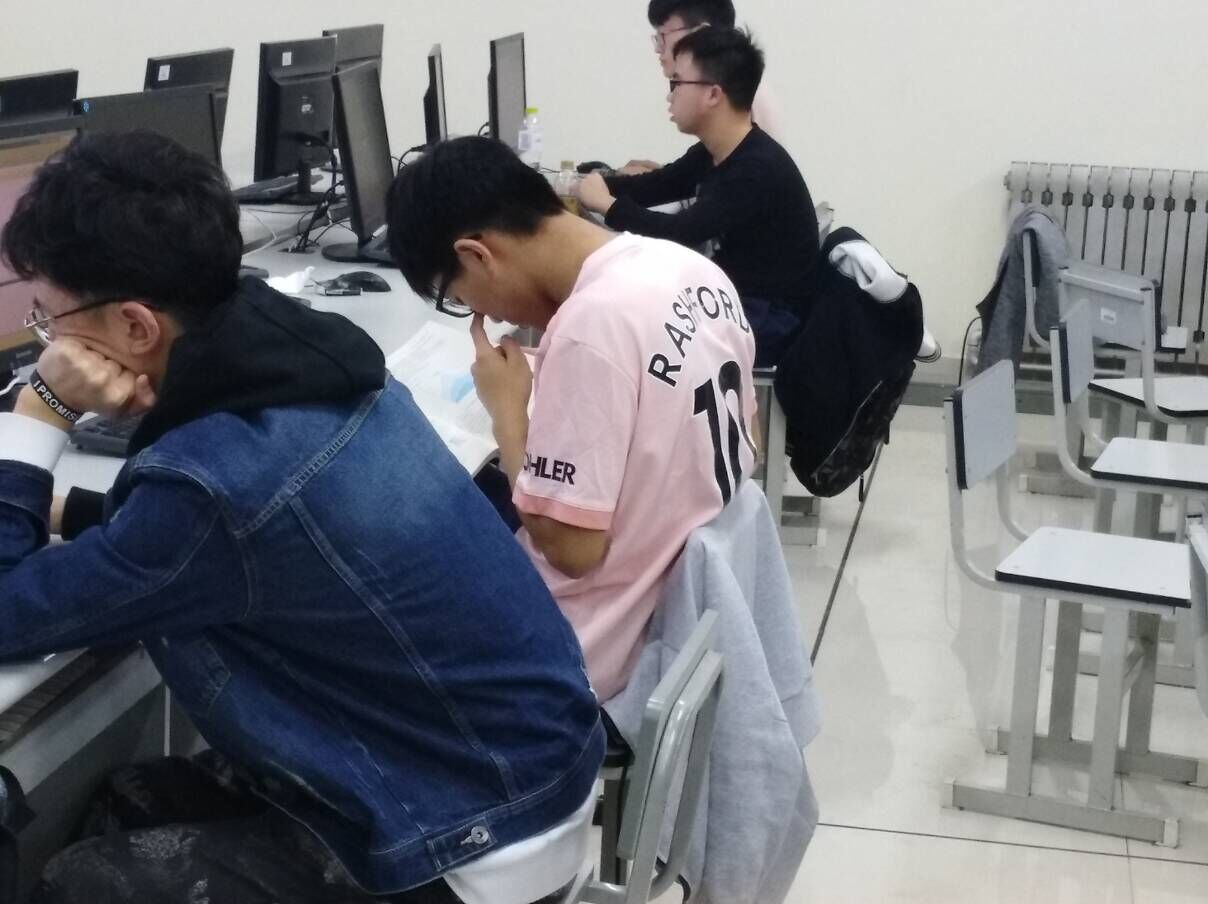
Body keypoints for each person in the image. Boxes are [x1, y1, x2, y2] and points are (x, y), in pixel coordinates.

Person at [0, 131, 603, 904]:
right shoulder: (307, 356)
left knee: (78, 882)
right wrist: (77, 511)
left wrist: (41, 410)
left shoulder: (213, 486)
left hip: (469, 843)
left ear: (136, 327)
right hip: (522, 770)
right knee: (128, 797)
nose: (50, 343)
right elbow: (251, 539)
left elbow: (13, 612)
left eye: (51, 320)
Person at [387, 136, 757, 703]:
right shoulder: (688, 266)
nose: (482, 314)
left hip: (584, 652)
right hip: (672, 595)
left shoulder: (591, 328)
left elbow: (572, 553)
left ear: (477, 255)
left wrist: (508, 415)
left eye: (459, 297)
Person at [579, 26, 819, 368]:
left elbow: (682, 232)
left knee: (627, 321)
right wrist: (585, 184)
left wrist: (607, 205)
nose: (669, 96)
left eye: (677, 83)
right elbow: (657, 185)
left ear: (713, 94)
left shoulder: (755, 168)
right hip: (737, 301)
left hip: (769, 320)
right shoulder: (716, 151)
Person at [623, 0, 784, 174]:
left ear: (701, 32)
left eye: (663, 36)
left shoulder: (745, 98)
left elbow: (742, 179)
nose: (658, 49)